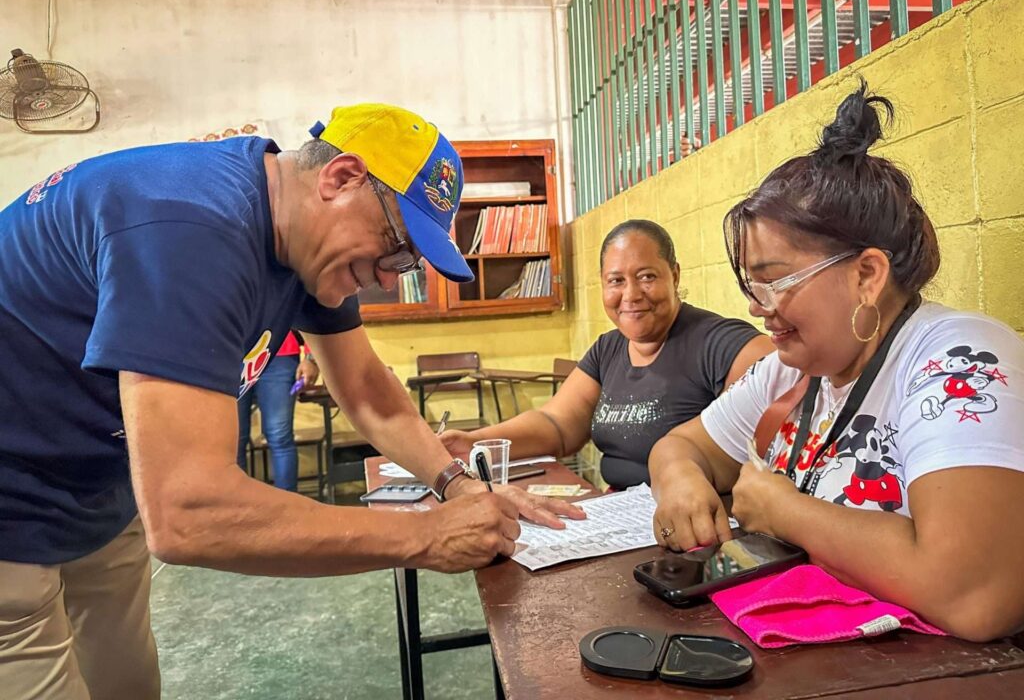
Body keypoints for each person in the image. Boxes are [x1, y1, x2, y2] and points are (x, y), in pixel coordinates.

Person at [0, 103, 584, 700]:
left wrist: (459, 486)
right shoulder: (191, 229)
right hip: (11, 501)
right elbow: (186, 514)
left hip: (98, 486)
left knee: (125, 683)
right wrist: (426, 536)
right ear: (340, 178)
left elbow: (364, 387)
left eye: (405, 264)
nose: (387, 279)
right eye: (396, 248)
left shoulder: (302, 239)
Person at [649, 84, 1024, 642]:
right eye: (753, 286)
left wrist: (785, 512)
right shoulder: (795, 369)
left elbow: (976, 595)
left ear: (866, 276)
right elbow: (680, 446)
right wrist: (679, 481)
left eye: (775, 283)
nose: (758, 309)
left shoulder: (959, 362)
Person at [442, 220, 774, 489]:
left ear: (674, 275)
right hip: (621, 520)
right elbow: (557, 424)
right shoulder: (608, 349)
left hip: (696, 532)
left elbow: (777, 379)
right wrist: (474, 442)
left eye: (646, 277)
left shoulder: (718, 343)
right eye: (616, 280)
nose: (630, 294)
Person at [236, 330, 319, 491]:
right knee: (233, 440)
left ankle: (288, 509)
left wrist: (310, 357)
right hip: (232, 353)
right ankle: (236, 510)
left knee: (279, 436)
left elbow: (309, 309)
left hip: (279, 353)